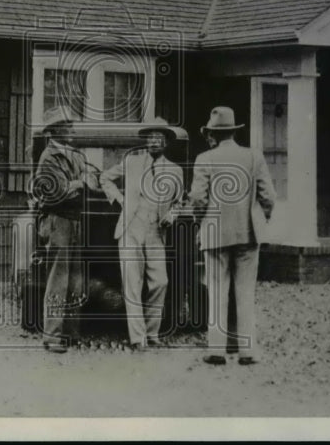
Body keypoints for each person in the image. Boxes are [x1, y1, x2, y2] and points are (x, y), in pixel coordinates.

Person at [188, 106, 275, 366]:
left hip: (215, 234)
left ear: (213, 134)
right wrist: (264, 217)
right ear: (233, 132)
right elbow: (268, 196)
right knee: (245, 292)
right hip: (248, 233)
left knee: (217, 291)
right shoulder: (253, 156)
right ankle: (246, 351)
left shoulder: (205, 159)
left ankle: (217, 350)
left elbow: (197, 198)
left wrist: (198, 222)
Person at [100, 118, 184, 351]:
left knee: (160, 282)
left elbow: (179, 201)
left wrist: (172, 215)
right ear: (146, 141)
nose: (154, 141)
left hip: (156, 231)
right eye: (150, 137)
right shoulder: (133, 162)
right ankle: (138, 339)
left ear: (166, 142)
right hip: (130, 228)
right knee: (132, 284)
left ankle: (152, 332)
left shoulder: (175, 170)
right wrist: (120, 199)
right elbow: (105, 178)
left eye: (159, 137)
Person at [31, 106, 99, 353]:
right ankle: (51, 336)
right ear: (55, 131)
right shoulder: (48, 158)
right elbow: (57, 192)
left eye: (71, 124)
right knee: (58, 279)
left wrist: (81, 183)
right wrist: (80, 183)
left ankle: (70, 333)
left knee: (75, 280)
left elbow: (91, 179)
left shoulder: (74, 154)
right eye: (67, 125)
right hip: (58, 221)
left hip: (75, 220)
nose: (72, 128)